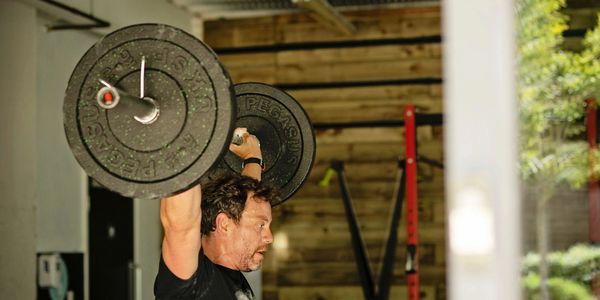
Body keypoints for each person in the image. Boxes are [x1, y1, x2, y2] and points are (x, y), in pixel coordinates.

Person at [154, 128, 280, 300]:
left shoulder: (230, 278)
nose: (269, 237)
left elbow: (247, 203)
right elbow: (181, 226)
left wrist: (253, 158)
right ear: (224, 224)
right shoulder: (194, 283)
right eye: (261, 225)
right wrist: (185, 138)